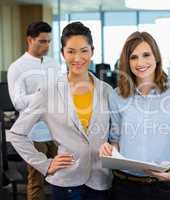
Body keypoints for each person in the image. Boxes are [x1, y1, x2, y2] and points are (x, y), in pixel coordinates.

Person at [8, 22, 112, 200]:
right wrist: (45, 165)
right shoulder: (49, 91)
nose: (78, 57)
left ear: (92, 52)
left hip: (100, 180)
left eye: (84, 50)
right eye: (71, 51)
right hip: (67, 182)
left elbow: (115, 134)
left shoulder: (106, 91)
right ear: (63, 53)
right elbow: (16, 134)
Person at [99, 31, 170, 200]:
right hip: (124, 186)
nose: (140, 62)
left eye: (146, 55)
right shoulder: (116, 95)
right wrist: (109, 150)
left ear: (156, 56)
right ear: (127, 62)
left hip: (161, 186)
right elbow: (116, 139)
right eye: (133, 57)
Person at [7, 21, 58, 200]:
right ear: (30, 40)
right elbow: (18, 102)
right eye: (42, 41)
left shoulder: (53, 64)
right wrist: (41, 95)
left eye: (49, 41)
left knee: (64, 177)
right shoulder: (17, 67)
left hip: (57, 130)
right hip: (34, 133)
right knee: (36, 181)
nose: (47, 46)